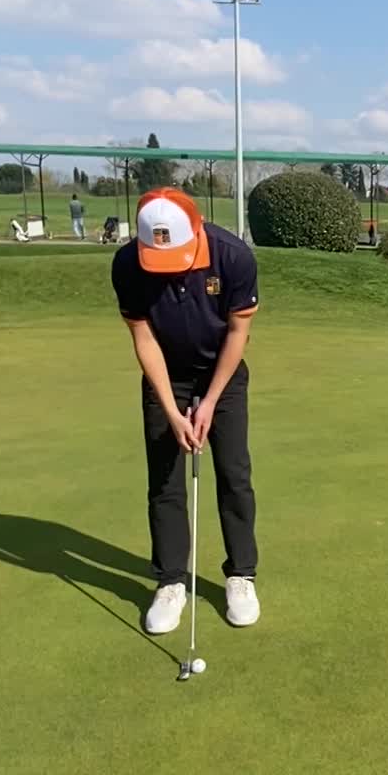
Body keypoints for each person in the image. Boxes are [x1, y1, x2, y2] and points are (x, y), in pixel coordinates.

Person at [112, 187, 260, 633]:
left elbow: (238, 332)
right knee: (164, 478)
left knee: (233, 473)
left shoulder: (233, 257)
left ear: (197, 230)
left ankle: (241, 575)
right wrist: (172, 409)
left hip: (222, 373)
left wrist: (209, 401)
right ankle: (171, 581)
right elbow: (143, 338)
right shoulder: (128, 264)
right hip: (167, 375)